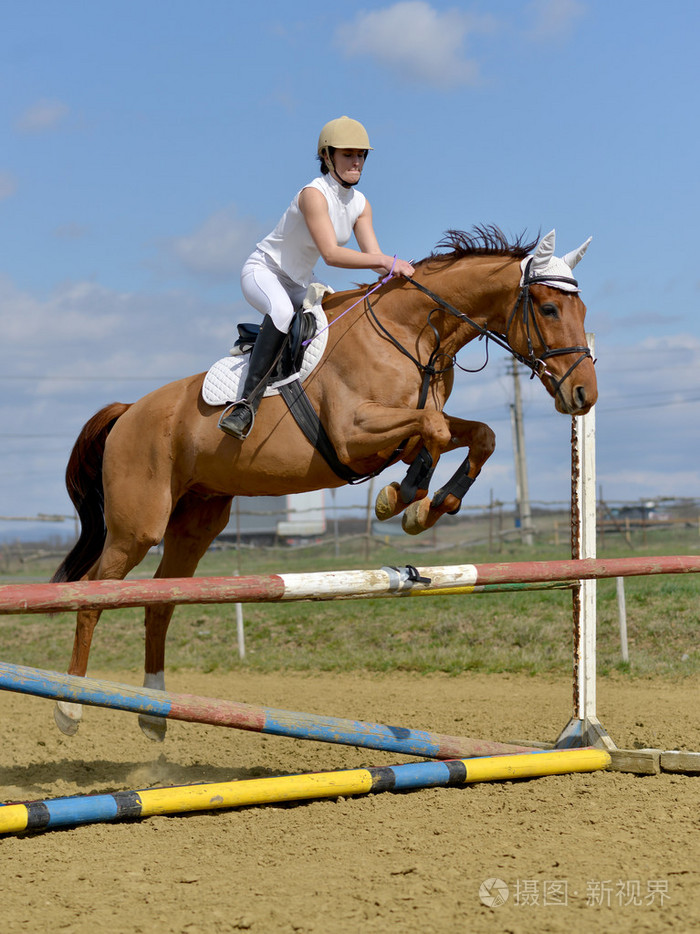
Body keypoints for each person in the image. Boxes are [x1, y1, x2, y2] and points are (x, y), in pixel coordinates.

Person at [219, 116, 415, 439]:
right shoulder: (314, 194)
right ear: (327, 157)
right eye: (348, 154)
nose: (356, 162)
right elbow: (331, 254)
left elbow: (378, 263)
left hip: (298, 283)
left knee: (336, 316)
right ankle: (245, 406)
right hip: (263, 272)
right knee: (281, 312)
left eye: (361, 155)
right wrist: (386, 261)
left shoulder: (361, 204)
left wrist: (408, 274)